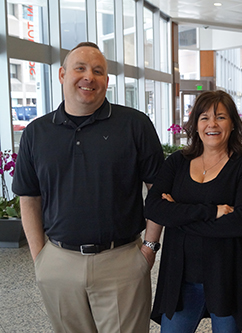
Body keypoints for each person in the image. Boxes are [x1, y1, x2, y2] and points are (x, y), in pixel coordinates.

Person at [12, 42, 164, 333]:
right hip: (58, 262)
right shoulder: (36, 133)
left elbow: (158, 188)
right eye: (80, 68)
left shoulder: (134, 125)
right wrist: (40, 258)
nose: (88, 77)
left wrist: (149, 247)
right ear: (61, 74)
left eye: (98, 71)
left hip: (121, 261)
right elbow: (29, 197)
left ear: (107, 81)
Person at [144, 90, 242, 333]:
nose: (212, 124)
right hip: (181, 278)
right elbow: (154, 207)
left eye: (220, 117)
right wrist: (212, 212)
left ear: (232, 124)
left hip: (228, 277)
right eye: (204, 117)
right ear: (195, 124)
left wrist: (176, 214)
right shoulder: (177, 162)